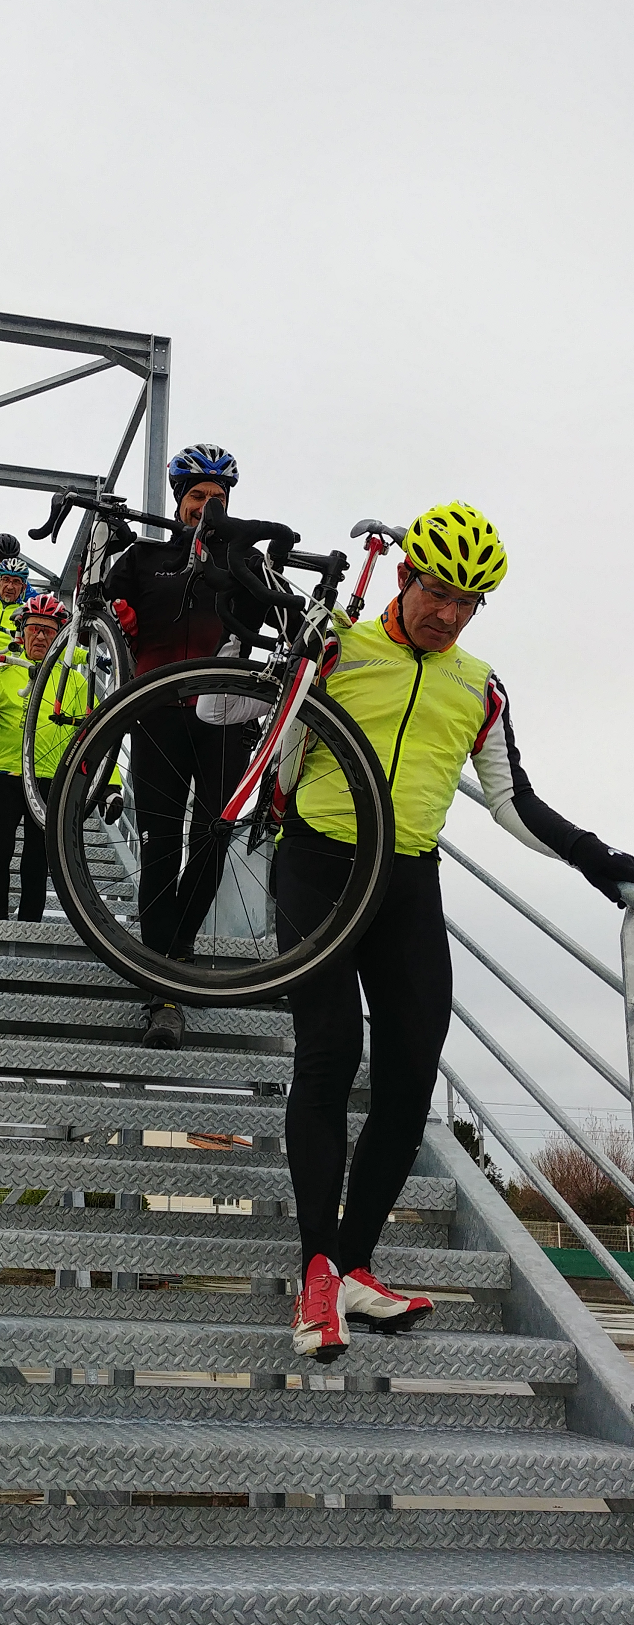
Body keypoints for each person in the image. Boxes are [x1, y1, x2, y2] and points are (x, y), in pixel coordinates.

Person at [279, 500, 634, 1360]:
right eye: (439, 591)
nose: (449, 613)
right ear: (404, 579)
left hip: (408, 876)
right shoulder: (342, 646)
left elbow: (514, 802)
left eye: (469, 601)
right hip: (320, 862)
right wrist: (299, 673)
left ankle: (355, 1264)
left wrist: (602, 860)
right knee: (328, 1051)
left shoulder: (478, 684)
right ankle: (317, 1271)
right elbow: (280, 763)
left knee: (410, 1073)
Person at [104, 445, 270, 1050]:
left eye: (218, 499)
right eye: (197, 497)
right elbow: (96, 611)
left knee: (213, 845)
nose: (207, 507)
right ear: (178, 503)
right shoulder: (144, 558)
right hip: (155, 717)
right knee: (158, 853)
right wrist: (114, 613)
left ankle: (172, 961)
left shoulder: (244, 562)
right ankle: (166, 990)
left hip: (222, 722)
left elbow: (276, 625)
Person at [0, 595, 123, 922]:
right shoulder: (4, 671)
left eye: (49, 630)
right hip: (5, 773)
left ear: (62, 636)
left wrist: (109, 786)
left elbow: (95, 737)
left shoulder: (74, 681)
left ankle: (30, 925)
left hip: (52, 781)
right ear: (22, 631)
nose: (42, 637)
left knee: (38, 860)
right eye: (34, 629)